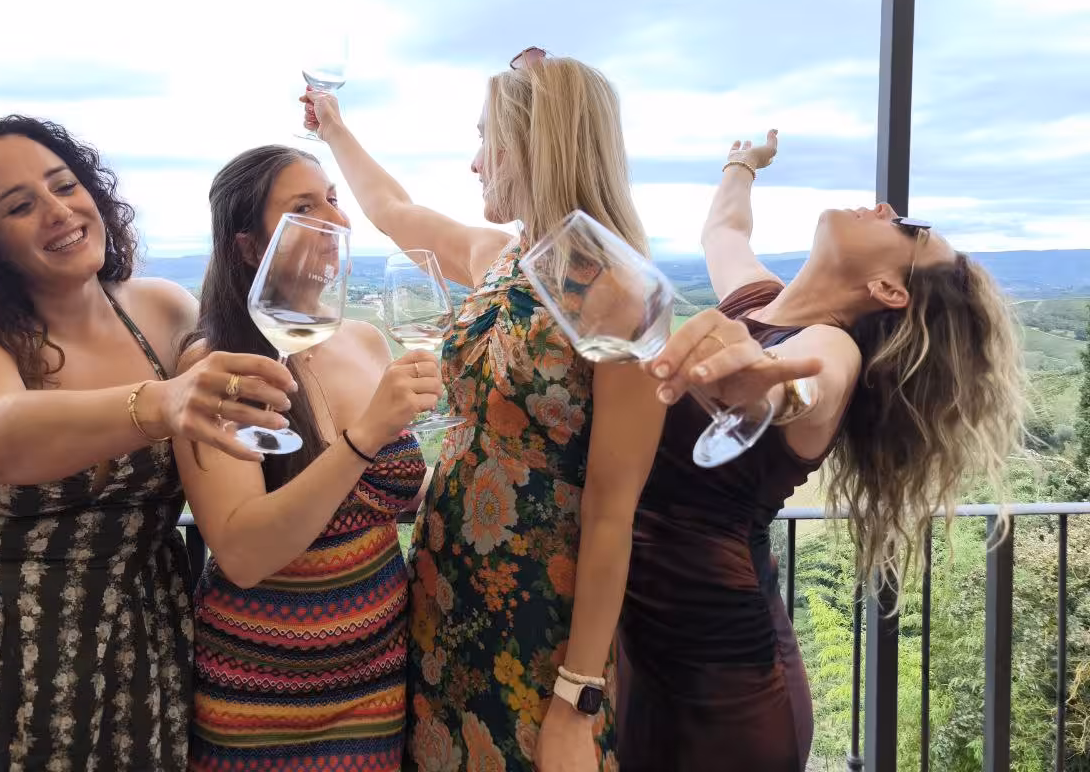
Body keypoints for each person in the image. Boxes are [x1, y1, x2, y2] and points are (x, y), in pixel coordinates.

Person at [303, 54, 813, 772]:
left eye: (486, 140)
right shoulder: (505, 259)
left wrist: (577, 696)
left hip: (537, 618)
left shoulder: (613, 293)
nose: (475, 162)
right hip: (445, 591)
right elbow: (392, 213)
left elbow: (612, 508)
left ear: (532, 146)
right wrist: (333, 129)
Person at [0, 115, 294, 772]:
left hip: (133, 658)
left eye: (64, 185)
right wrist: (161, 402)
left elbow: (242, 398)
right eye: (19, 206)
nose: (57, 210)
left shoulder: (163, 310)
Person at [618, 130, 1026, 772]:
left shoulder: (835, 349)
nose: (888, 209)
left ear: (890, 289)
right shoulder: (759, 302)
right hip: (652, 654)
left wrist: (770, 393)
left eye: (909, 229)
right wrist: (742, 163)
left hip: (727, 693)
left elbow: (809, 384)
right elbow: (723, 233)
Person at [178, 145, 442, 771]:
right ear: (249, 247)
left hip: (377, 675)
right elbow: (242, 555)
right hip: (262, 688)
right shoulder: (215, 366)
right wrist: (366, 435)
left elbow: (393, 497)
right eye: (303, 208)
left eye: (331, 199)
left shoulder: (366, 340)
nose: (336, 221)